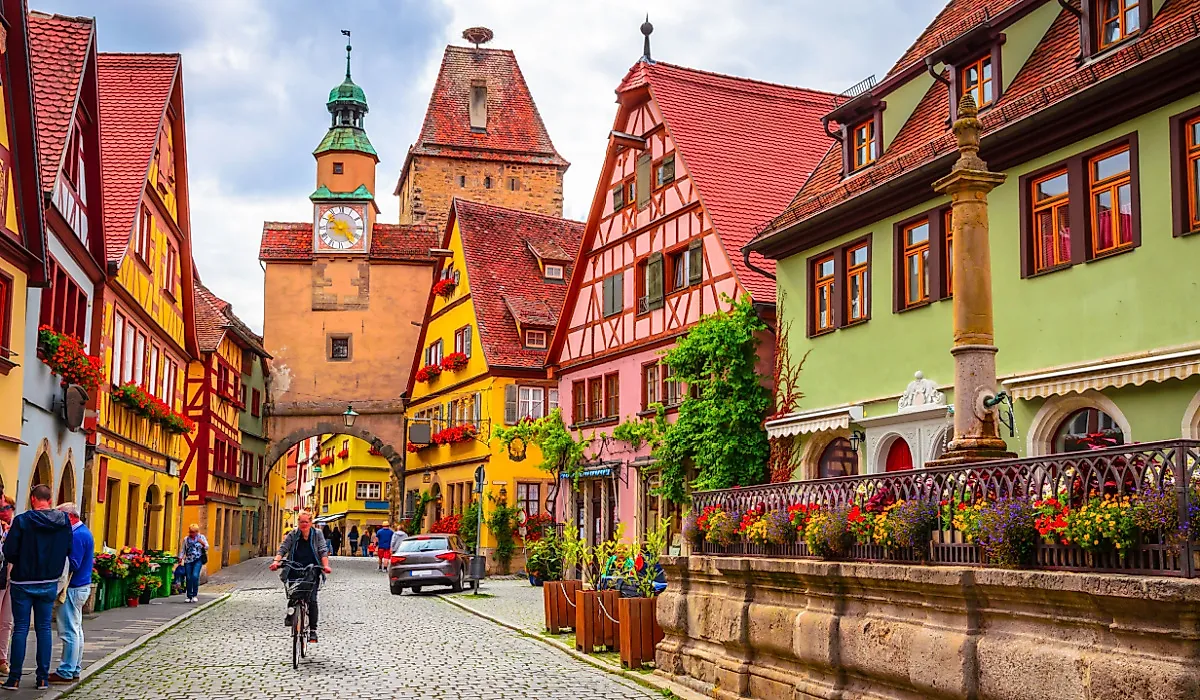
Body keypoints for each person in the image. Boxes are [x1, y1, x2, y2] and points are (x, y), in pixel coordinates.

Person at [1, 484, 71, 691]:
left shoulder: (22, 521)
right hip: (49, 581)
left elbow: (10, 550)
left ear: (33, 499)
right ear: (49, 500)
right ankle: (42, 678)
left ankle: (14, 679)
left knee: (21, 628)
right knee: (43, 629)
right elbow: (68, 548)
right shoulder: (63, 521)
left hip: (23, 581)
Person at [48, 503, 93, 684]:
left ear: (69, 517)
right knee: (76, 630)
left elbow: (72, 563)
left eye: (60, 516)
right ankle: (74, 668)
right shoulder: (83, 532)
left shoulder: (76, 535)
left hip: (73, 588)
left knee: (69, 631)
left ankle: (66, 670)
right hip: (81, 586)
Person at [269, 512, 331, 643]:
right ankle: (291, 612)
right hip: (294, 567)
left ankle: (313, 630)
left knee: (312, 600)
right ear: (298, 523)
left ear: (311, 522)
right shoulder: (293, 534)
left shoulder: (317, 534)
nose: (304, 525)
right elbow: (283, 548)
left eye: (306, 522)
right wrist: (276, 561)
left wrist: (325, 566)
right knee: (292, 594)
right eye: (301, 522)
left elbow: (322, 550)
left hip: (312, 569)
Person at [0, 495, 14, 678]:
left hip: (11, 578)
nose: (7, 511)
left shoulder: (13, 529)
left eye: (9, 507)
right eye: (4, 508)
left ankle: (2, 659)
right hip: (1, 577)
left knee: (6, 622)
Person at [180, 525, 209, 603]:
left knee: (195, 576)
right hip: (188, 560)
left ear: (196, 532)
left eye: (192, 532)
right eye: (190, 532)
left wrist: (202, 543)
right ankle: (189, 596)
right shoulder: (186, 539)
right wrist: (180, 557)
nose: (191, 533)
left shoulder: (201, 537)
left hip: (198, 560)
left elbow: (207, 547)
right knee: (188, 578)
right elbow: (183, 549)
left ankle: (194, 595)